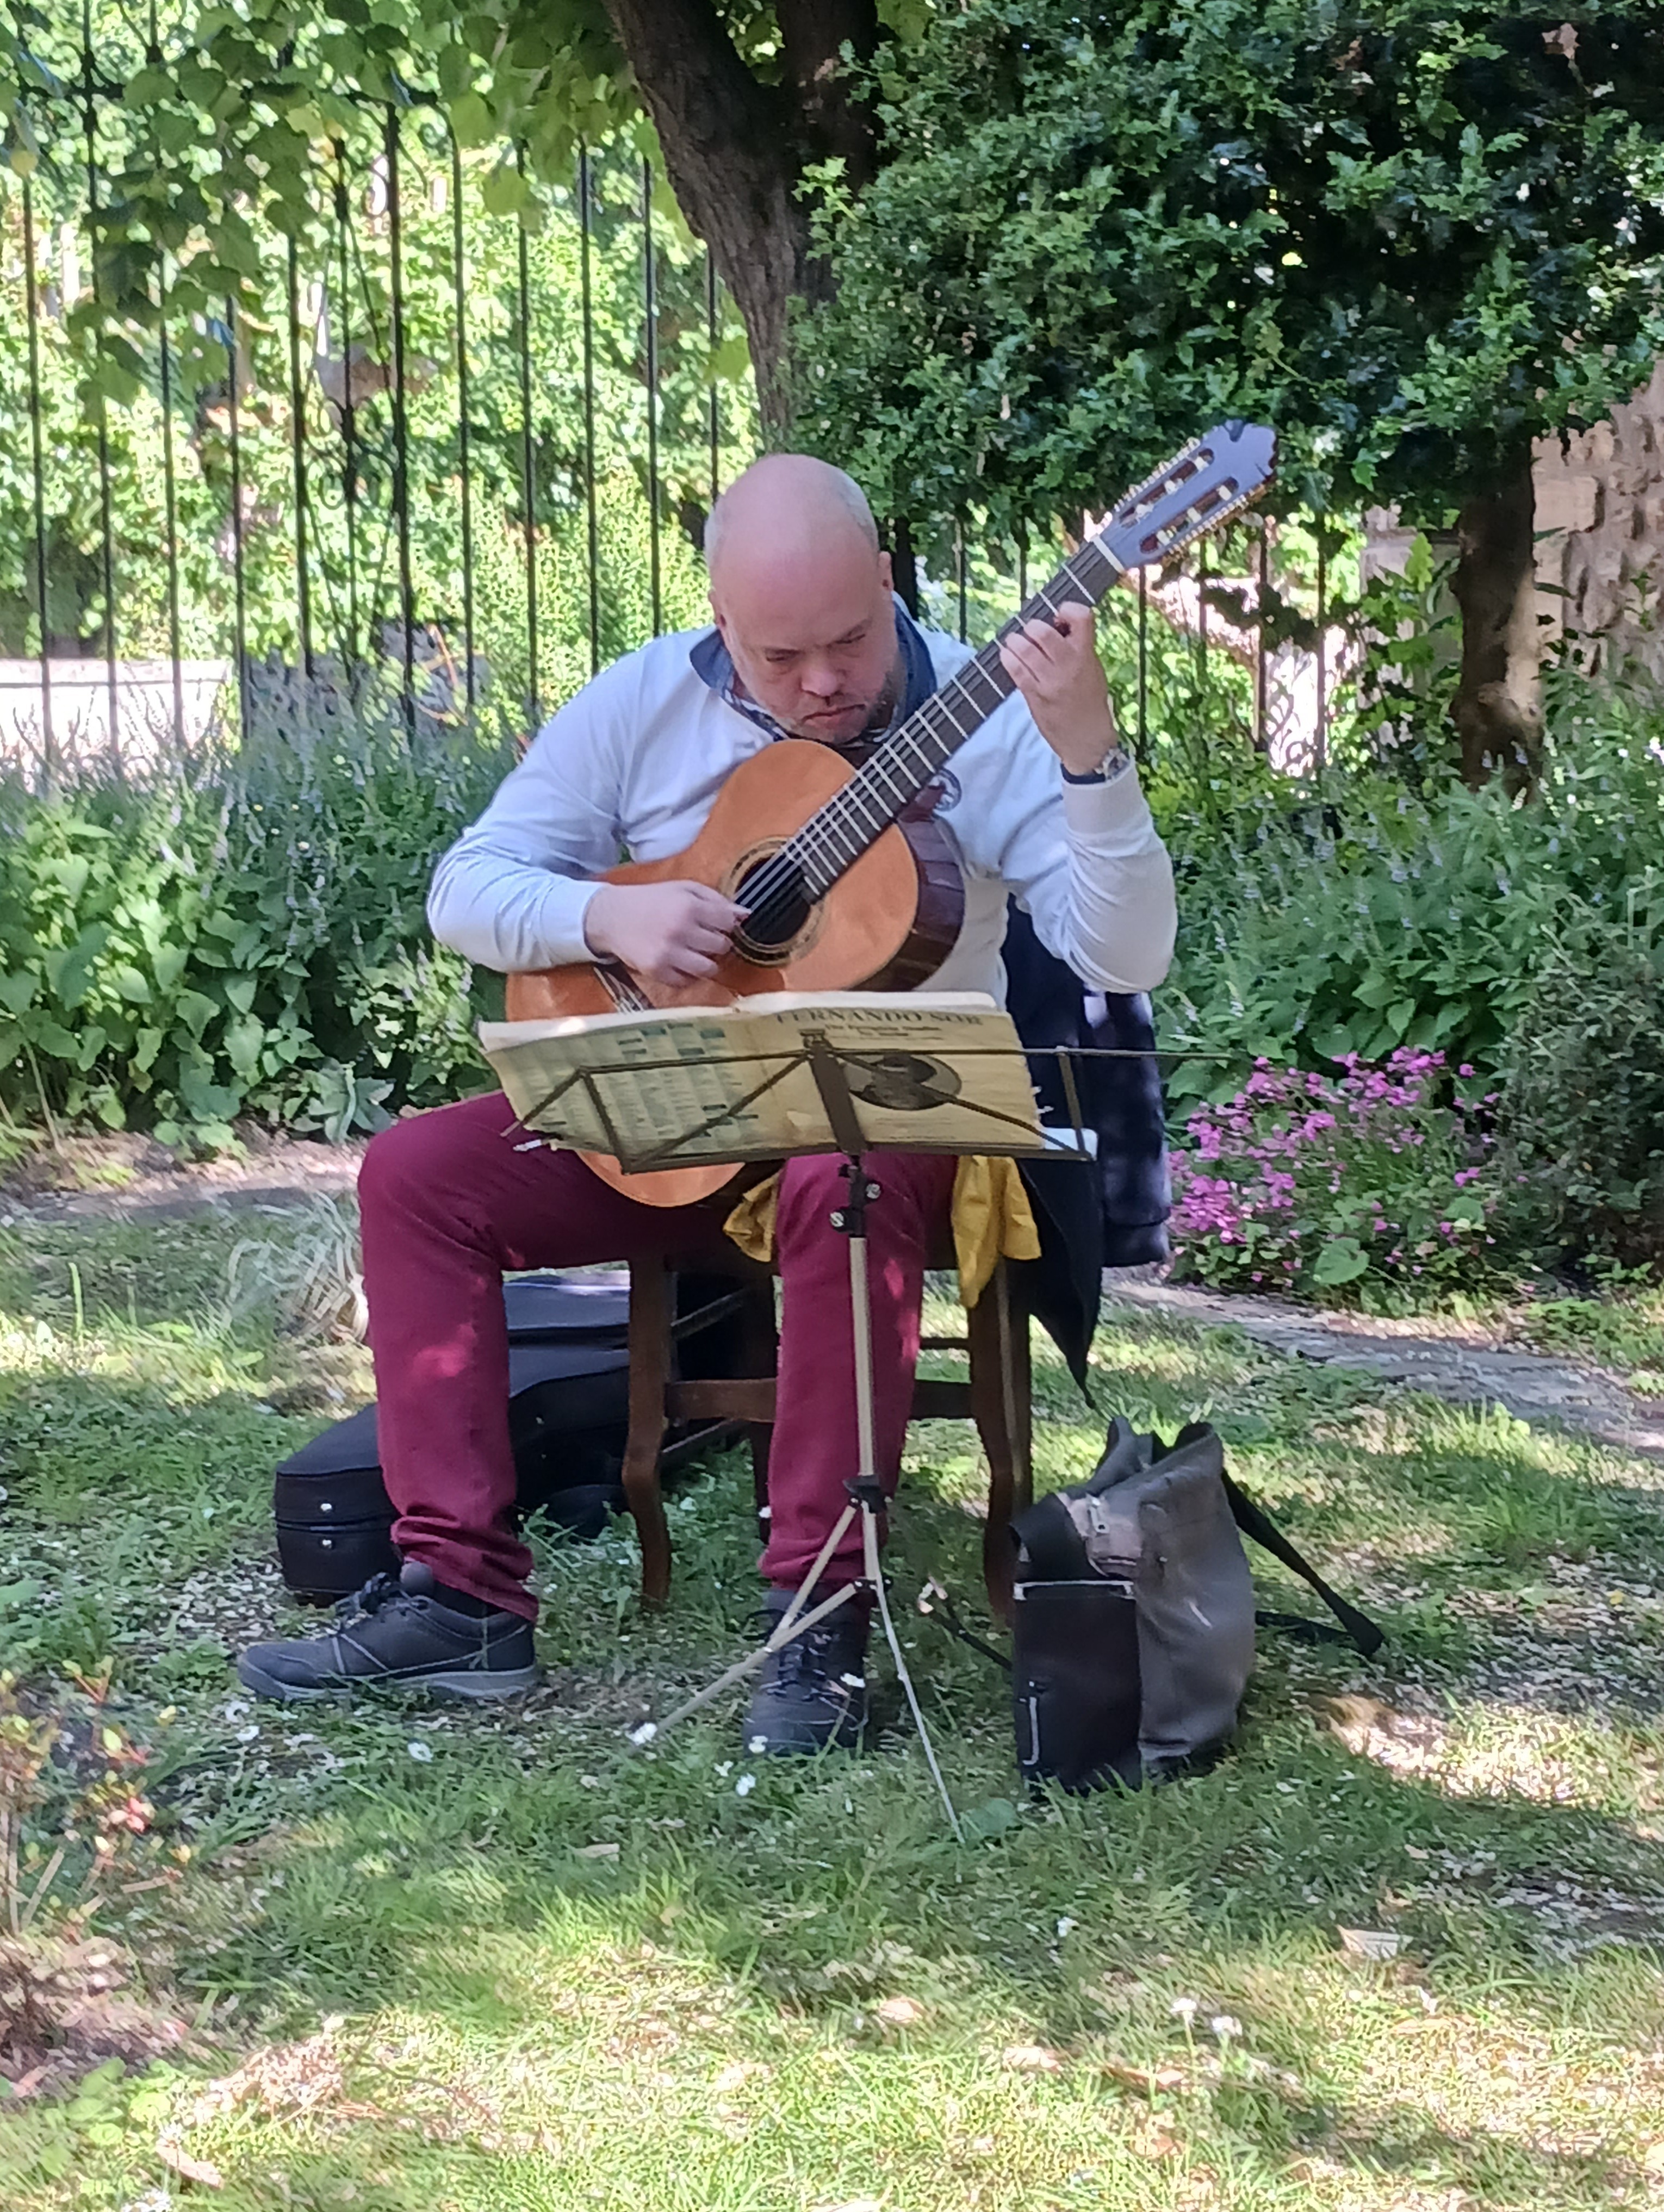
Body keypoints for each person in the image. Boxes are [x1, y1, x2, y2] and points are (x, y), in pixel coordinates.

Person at [237, 455, 1176, 1752]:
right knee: (417, 1175)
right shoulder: (645, 697)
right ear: (721, 619)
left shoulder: (990, 709)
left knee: (831, 1177)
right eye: (781, 656)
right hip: (670, 1105)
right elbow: (470, 886)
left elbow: (1124, 958)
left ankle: (819, 1621)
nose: (822, 685)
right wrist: (602, 910)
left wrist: (1090, 754)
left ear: (887, 584)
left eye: (849, 641)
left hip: (877, 1119)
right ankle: (461, 1601)